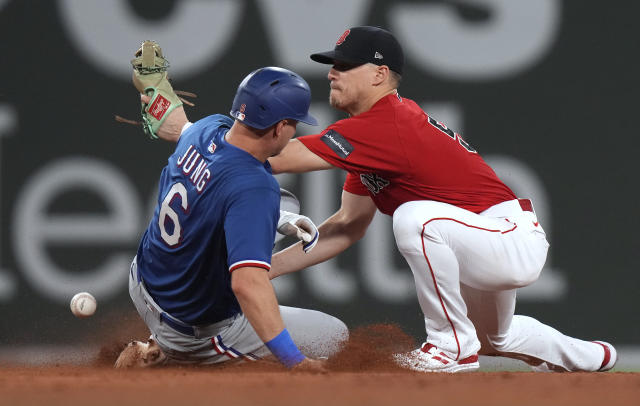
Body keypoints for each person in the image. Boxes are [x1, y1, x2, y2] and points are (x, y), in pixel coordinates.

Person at [265, 26, 617, 373]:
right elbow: (346, 226)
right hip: (476, 237)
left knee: (414, 218)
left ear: (379, 74)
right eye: (333, 65)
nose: (331, 74)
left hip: (507, 235)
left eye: (344, 66)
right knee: (495, 338)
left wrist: (219, 138)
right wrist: (267, 269)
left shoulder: (387, 124)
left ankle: (449, 348)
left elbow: (276, 158)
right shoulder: (370, 142)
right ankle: (596, 357)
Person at [117, 66, 348, 370]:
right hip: (190, 329)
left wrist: (157, 96)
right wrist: (295, 361)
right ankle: (165, 355)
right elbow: (247, 285)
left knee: (283, 202)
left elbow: (177, 125)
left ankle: (162, 343)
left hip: (142, 281)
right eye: (294, 123)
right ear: (279, 128)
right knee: (334, 336)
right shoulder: (254, 186)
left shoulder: (207, 128)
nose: (295, 130)